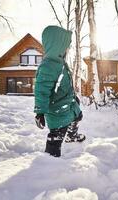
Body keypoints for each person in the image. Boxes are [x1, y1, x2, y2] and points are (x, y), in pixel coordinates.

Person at [34, 25, 86, 157]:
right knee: (56, 136)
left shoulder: (60, 62)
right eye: (66, 46)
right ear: (57, 45)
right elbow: (41, 91)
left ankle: (71, 136)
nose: (67, 49)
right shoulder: (48, 65)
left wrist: (74, 97)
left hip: (68, 103)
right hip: (57, 109)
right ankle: (50, 161)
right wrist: (40, 112)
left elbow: (64, 83)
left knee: (78, 115)